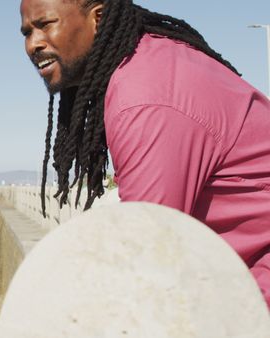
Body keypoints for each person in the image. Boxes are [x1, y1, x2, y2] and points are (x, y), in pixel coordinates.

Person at [20, 0, 270, 306]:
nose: (33, 44)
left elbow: (145, 260)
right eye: (26, 32)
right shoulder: (152, 61)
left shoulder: (145, 98)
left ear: (98, 18)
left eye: (45, 24)